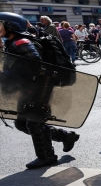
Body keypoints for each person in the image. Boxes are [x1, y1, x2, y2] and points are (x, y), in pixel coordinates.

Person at [0, 12, 80, 168]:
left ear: (10, 26)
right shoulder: (12, 42)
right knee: (22, 123)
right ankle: (66, 137)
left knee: (34, 122)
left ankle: (47, 156)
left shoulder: (21, 42)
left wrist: (13, 76)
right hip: (29, 86)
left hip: (38, 86)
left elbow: (35, 64)